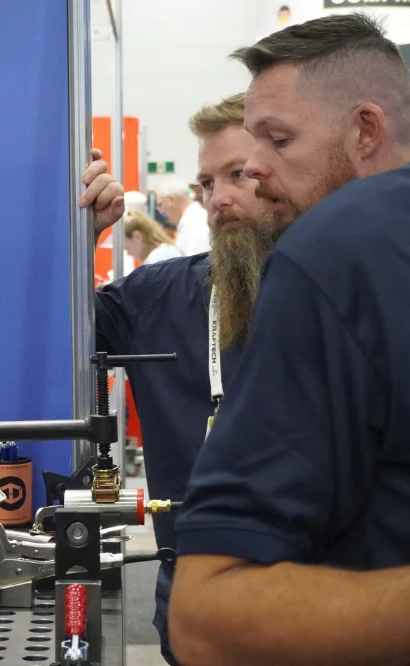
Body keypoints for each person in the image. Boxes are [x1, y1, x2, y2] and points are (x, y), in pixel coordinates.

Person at [166, 16, 410, 666]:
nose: (251, 173)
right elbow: (208, 614)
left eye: (277, 141)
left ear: (366, 130)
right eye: (211, 180)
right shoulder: (330, 259)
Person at [89, 92, 283, 663]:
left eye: (237, 175)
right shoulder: (160, 296)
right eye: (205, 183)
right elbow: (60, 334)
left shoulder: (334, 291)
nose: (217, 198)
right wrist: (83, 237)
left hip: (314, 589)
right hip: (193, 593)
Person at [156, 177, 210, 256]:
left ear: (171, 200)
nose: (161, 211)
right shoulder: (193, 221)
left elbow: (199, 266)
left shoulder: (195, 225)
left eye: (160, 205)